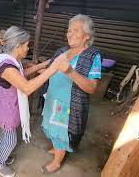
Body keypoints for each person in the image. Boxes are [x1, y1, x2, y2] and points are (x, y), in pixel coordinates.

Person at [0, 26, 68, 177]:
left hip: (2, 106)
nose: (28, 48)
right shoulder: (7, 67)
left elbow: (22, 74)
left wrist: (43, 65)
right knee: (11, 139)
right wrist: (53, 69)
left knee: (6, 134)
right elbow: (26, 87)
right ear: (18, 46)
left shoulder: (10, 61)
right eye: (26, 45)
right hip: (4, 109)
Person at [41, 14, 102, 174]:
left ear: (87, 36)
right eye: (69, 30)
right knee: (51, 127)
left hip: (68, 105)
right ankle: (57, 148)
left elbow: (92, 88)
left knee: (61, 132)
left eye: (76, 30)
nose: (70, 34)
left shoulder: (93, 56)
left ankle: (56, 161)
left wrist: (70, 72)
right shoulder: (62, 51)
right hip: (52, 98)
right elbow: (48, 68)